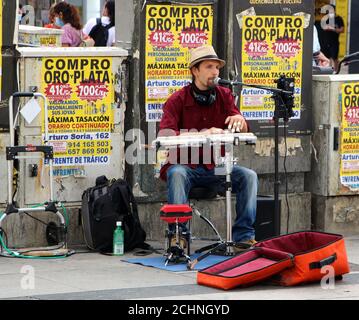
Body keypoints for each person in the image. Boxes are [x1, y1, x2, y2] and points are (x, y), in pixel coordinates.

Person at [158, 45, 258, 250]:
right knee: (176, 173)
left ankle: (243, 236)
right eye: (209, 67)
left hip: (217, 166)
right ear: (195, 70)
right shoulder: (176, 101)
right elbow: (165, 136)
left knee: (248, 176)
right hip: (186, 166)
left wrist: (240, 120)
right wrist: (203, 134)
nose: (215, 72)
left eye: (217, 68)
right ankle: (178, 236)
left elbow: (242, 127)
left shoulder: (225, 95)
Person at [317, 5, 344, 72]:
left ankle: (336, 72)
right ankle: (327, 71)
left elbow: (342, 29)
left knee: (335, 58)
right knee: (326, 58)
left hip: (334, 42)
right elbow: (324, 27)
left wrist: (333, 29)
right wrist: (332, 28)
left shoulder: (339, 19)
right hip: (325, 41)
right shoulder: (326, 18)